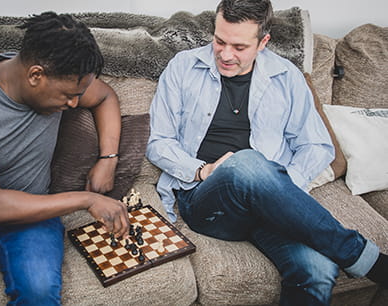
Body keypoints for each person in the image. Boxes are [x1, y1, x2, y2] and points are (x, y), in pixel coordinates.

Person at [146, 0, 387, 305]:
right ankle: (363, 257)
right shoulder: (183, 67)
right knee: (246, 163)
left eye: (239, 46)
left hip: (271, 207)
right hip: (207, 200)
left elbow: (317, 145)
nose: (225, 54)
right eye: (219, 41)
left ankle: (351, 254)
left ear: (263, 42)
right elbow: (158, 142)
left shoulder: (287, 76)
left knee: (318, 269)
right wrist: (202, 170)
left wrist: (282, 188)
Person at [0, 12, 130, 304]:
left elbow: (104, 96)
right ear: (36, 75)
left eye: (77, 95)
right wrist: (87, 199)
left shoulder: (60, 76)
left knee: (38, 292)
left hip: (33, 216)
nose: (74, 104)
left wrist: (108, 158)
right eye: (68, 96)